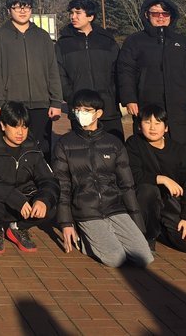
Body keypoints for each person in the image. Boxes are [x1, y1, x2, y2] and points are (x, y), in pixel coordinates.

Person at [53, 89, 153, 268]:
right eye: (77, 110)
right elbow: (63, 186)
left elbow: (127, 185)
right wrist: (66, 222)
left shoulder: (113, 143)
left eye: (86, 110)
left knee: (144, 257)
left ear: (98, 113)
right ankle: (86, 240)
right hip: (86, 210)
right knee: (115, 258)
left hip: (114, 207)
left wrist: (137, 224)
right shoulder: (65, 144)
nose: (81, 114)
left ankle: (109, 234)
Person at [117, 0, 186, 163]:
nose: (160, 17)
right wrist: (129, 98)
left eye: (165, 13)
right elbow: (125, 71)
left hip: (180, 108)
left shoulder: (183, 42)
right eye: (155, 13)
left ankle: (185, 180)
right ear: (146, 15)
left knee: (184, 153)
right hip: (147, 105)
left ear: (172, 15)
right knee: (148, 153)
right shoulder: (134, 41)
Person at [0, 101, 59, 254]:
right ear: (3, 126)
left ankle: (18, 228)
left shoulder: (33, 149)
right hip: (1, 201)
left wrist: (43, 200)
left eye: (24, 127)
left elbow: (49, 180)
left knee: (50, 205)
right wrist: (13, 197)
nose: (20, 132)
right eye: (14, 126)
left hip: (25, 203)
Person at [0, 0, 62, 162]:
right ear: (9, 10)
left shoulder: (42, 36)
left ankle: (43, 177)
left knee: (42, 146)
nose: (22, 11)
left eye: (26, 7)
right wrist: (0, 102)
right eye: (17, 7)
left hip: (41, 103)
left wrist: (56, 101)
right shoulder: (0, 37)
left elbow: (52, 70)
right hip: (13, 103)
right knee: (16, 146)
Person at [126, 105, 186, 254]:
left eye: (158, 123)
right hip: (144, 200)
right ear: (139, 126)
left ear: (166, 128)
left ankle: (159, 230)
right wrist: (161, 179)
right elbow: (132, 174)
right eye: (147, 122)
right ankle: (148, 237)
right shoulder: (134, 144)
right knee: (148, 190)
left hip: (170, 203)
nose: (152, 127)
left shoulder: (178, 150)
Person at [56, 0, 121, 140]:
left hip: (108, 107)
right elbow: (60, 74)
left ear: (91, 16)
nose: (73, 17)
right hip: (80, 107)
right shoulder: (63, 44)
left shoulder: (107, 40)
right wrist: (71, 96)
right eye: (71, 13)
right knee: (82, 146)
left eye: (78, 13)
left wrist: (114, 94)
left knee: (114, 144)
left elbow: (117, 70)